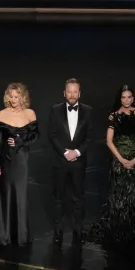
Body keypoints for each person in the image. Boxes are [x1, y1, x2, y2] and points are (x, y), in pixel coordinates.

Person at [83, 84, 135, 252]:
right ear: (119, 99)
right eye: (123, 97)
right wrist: (120, 159)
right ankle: (118, 231)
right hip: (118, 161)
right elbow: (109, 141)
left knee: (133, 195)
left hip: (134, 161)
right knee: (118, 195)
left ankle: (132, 231)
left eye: (129, 97)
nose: (126, 100)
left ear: (133, 98)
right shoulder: (113, 116)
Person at [47, 78, 93, 246]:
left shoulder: (88, 111)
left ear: (79, 93)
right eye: (69, 91)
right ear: (64, 93)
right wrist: (65, 152)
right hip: (60, 161)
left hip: (79, 163)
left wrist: (77, 152)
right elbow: (51, 134)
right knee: (58, 199)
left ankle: (78, 231)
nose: (72, 95)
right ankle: (58, 232)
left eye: (75, 91)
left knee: (78, 198)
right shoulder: (55, 110)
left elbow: (89, 137)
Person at [0, 82, 38, 248]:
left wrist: (20, 141)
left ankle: (21, 235)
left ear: (23, 97)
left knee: (20, 194)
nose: (13, 99)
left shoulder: (30, 113)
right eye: (11, 96)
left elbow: (35, 135)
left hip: (22, 160)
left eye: (17, 96)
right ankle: (4, 235)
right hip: (7, 160)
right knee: (6, 194)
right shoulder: (1, 114)